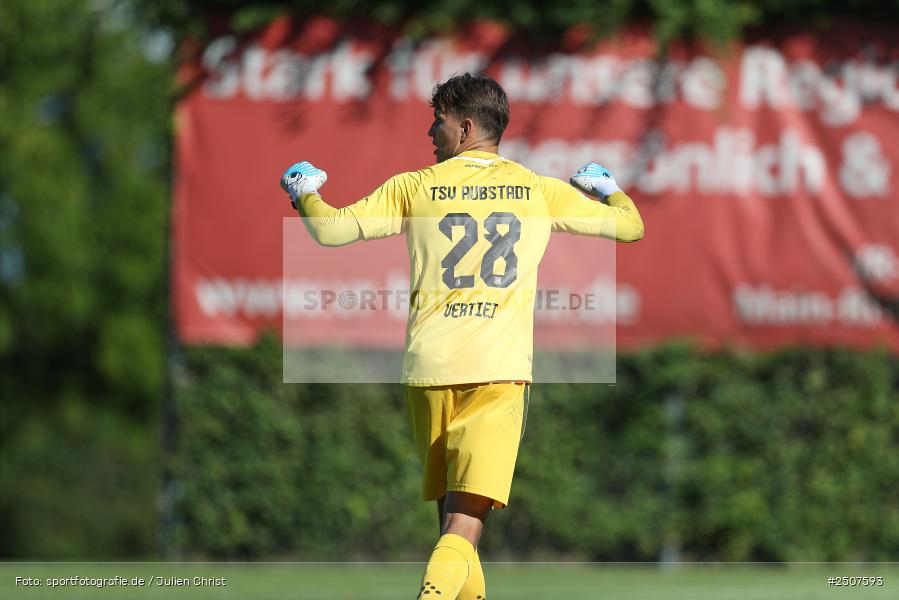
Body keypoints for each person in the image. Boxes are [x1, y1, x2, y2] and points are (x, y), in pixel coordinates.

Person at [280, 72, 644, 599]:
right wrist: (607, 187)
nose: (431, 132)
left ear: (467, 126)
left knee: (452, 528)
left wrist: (305, 193)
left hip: (427, 373)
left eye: (439, 121)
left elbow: (331, 230)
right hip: (496, 375)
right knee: (463, 529)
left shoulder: (414, 186)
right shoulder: (537, 190)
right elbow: (631, 226)